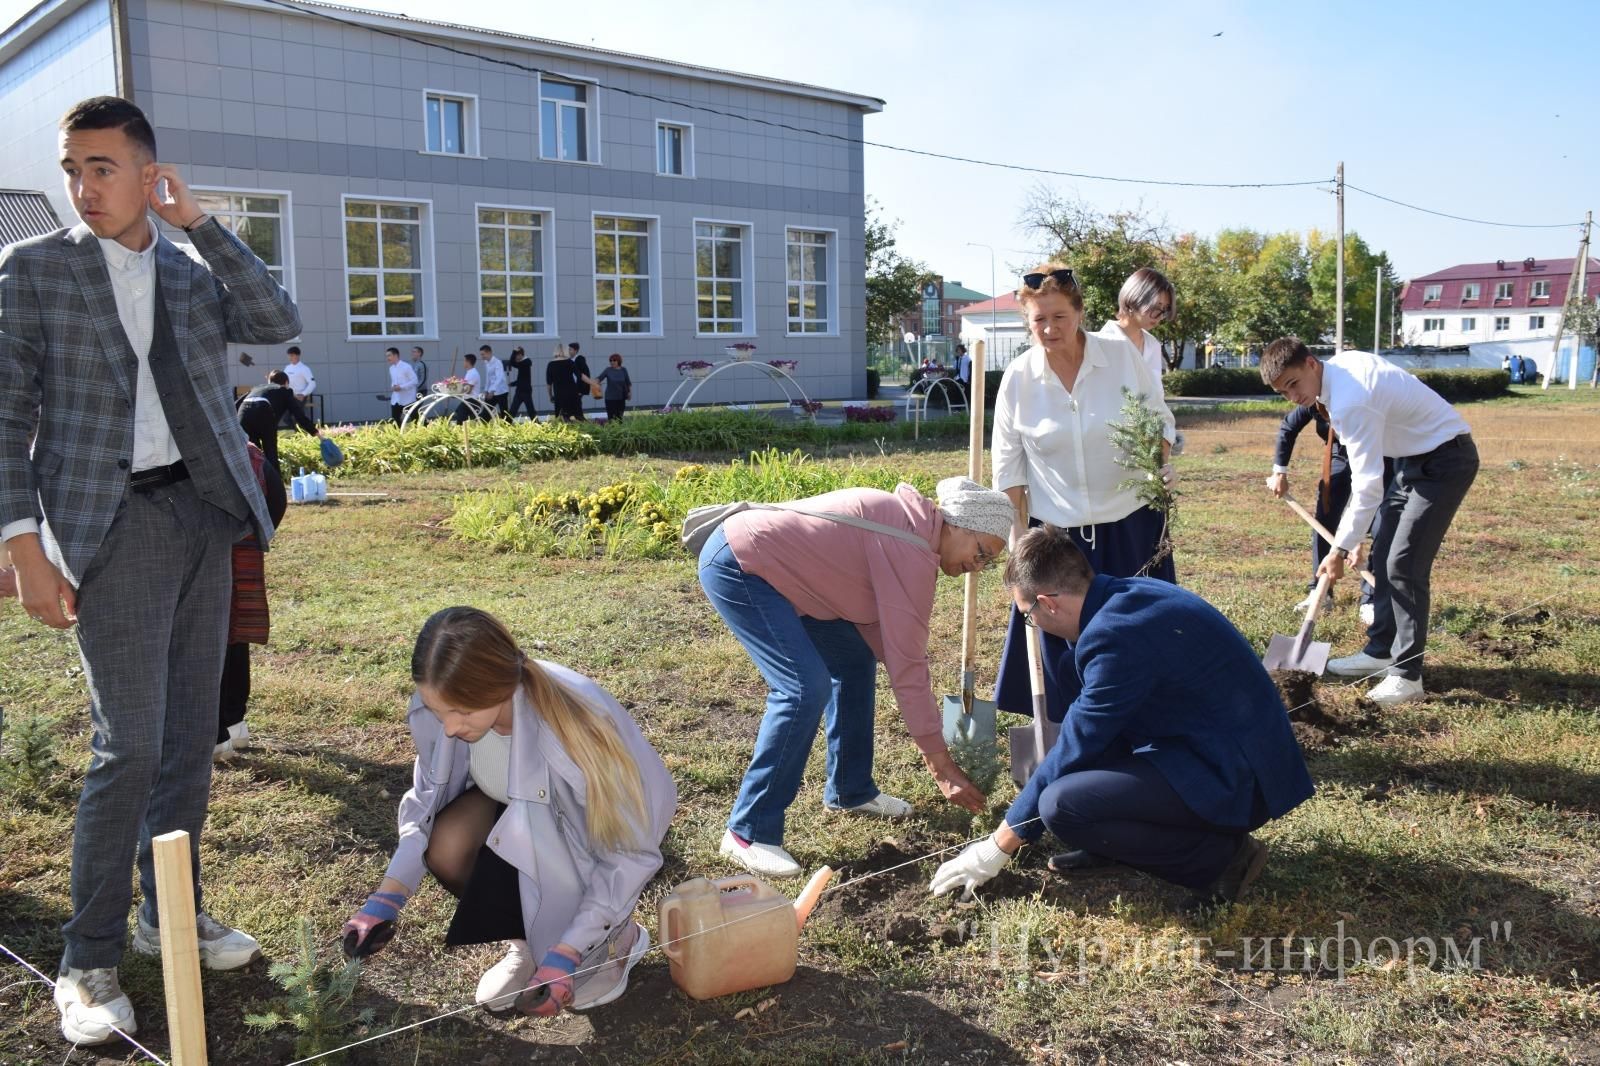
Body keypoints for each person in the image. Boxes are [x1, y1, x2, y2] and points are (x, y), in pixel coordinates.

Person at [0, 96, 299, 1045]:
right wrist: (20, 546)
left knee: (187, 738)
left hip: (203, 516)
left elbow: (275, 319)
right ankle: (86, 960)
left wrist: (199, 223)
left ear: (147, 171)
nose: (84, 187)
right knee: (128, 743)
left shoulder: (191, 269)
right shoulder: (34, 270)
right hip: (111, 524)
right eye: (72, 168)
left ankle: (168, 909)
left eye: (102, 167)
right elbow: (5, 418)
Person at [929, 525, 1314, 908]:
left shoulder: (1116, 638)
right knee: (1078, 772)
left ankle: (1221, 860)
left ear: (1048, 603)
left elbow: (1076, 744)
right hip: (1210, 744)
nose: (1033, 625)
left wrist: (997, 848)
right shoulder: (1127, 595)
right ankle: (1115, 846)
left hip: (1234, 776)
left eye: (1027, 616)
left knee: (1061, 805)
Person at [342, 607, 675, 1015]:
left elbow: (628, 852)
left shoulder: (575, 732)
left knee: (570, 909)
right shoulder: (446, 705)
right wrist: (387, 898)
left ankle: (616, 942)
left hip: (602, 834)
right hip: (520, 814)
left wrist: (568, 954)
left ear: (497, 687)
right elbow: (426, 803)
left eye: (461, 713)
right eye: (438, 710)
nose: (448, 727)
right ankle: (527, 947)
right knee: (449, 843)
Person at [698, 476, 1010, 878]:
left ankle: (849, 790)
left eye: (989, 562)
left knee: (852, 661)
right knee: (803, 688)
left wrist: (905, 668)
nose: (978, 567)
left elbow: (887, 640)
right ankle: (746, 833)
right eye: (981, 552)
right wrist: (941, 766)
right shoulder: (910, 548)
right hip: (741, 566)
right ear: (958, 524)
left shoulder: (914, 531)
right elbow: (908, 668)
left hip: (795, 584)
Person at [991, 264, 1176, 724]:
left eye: (1059, 316)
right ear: (1027, 322)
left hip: (1131, 526)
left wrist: (1160, 464)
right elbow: (1008, 473)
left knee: (1137, 638)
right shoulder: (1019, 378)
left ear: (1079, 313)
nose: (1050, 329)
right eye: (1039, 320)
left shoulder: (1118, 356)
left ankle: (1145, 726)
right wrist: (1019, 559)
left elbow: (1158, 420)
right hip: (1057, 537)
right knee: (1064, 652)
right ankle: (1068, 734)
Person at [1261, 337, 1478, 705]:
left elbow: (1366, 487)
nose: (1293, 397)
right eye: (1283, 392)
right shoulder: (1340, 370)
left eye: (1294, 384)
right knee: (1386, 552)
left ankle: (1407, 677)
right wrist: (1352, 538)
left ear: (1311, 364)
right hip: (1409, 461)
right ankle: (1380, 650)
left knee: (1403, 566)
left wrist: (1340, 548)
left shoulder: (1351, 401)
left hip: (1445, 462)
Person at [1267, 401, 1385, 620]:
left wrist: (1354, 542)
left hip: (1378, 454)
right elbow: (1288, 427)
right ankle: (1320, 592)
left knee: (1379, 523)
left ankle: (1371, 599)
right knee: (1323, 517)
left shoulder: (1358, 399)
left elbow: (1364, 497)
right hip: (1341, 453)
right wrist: (1279, 472)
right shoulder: (1313, 396)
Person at [215, 441, 287, 760]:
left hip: (201, 558)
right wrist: (256, 535)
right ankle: (234, 724)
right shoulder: (247, 452)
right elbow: (279, 499)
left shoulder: (191, 449)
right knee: (235, 635)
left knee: (202, 641)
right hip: (242, 552)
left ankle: (215, 735)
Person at [1095, 267, 1175, 386]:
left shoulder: (1153, 345)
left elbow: (1156, 395)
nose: (1159, 315)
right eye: (1155, 307)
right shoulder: (1101, 342)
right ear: (1134, 299)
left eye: (1165, 309)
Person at [237, 369, 319, 472]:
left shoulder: (257, 388)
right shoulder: (285, 390)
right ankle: (276, 486)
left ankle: (256, 486)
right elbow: (298, 414)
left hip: (243, 413)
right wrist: (315, 432)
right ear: (286, 383)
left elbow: (236, 404)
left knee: (253, 455)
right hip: (263, 411)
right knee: (271, 453)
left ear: (269, 382)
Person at [385, 346, 419, 427]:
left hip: (408, 399)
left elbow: (415, 381)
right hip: (396, 398)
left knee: (416, 419)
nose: (387, 358)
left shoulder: (406, 366)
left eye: (389, 355)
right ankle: (398, 436)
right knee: (395, 419)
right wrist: (393, 386)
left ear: (395, 355)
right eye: (387, 356)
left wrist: (401, 387)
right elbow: (394, 382)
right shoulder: (391, 368)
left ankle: (425, 432)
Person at [546, 342, 580, 422]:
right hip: (572, 393)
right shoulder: (570, 362)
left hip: (559, 394)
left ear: (555, 352)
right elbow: (580, 375)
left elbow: (549, 384)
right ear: (565, 351)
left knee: (560, 419)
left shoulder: (551, 365)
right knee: (573, 417)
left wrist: (551, 396)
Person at [595, 353, 631, 421]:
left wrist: (629, 393)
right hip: (610, 398)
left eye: (614, 360)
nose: (612, 362)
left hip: (621, 397)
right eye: (610, 361)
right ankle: (612, 431)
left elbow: (628, 382)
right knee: (611, 418)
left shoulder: (623, 370)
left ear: (618, 361)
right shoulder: (608, 370)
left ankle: (619, 431)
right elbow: (599, 378)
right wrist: (594, 382)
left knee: (619, 418)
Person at [506, 345, 537, 420]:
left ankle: (537, 424)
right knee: (513, 409)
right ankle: (507, 423)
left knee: (530, 410)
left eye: (516, 356)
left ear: (520, 355)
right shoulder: (523, 364)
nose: (516, 358)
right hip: (520, 390)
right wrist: (513, 384)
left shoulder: (526, 362)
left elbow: (512, 363)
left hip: (525, 391)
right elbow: (522, 378)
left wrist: (514, 352)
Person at [479, 344, 508, 419]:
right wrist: (486, 390)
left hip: (501, 391)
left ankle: (508, 428)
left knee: (504, 412)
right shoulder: (486, 363)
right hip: (491, 391)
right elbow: (488, 378)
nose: (482, 357)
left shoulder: (497, 362)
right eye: (481, 355)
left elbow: (499, 378)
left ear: (489, 352)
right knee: (486, 411)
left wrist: (492, 390)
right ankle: (483, 427)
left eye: (483, 354)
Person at [566, 342, 592, 421]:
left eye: (570, 349)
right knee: (573, 404)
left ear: (575, 350)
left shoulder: (580, 359)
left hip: (578, 387)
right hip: (571, 387)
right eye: (568, 349)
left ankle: (577, 418)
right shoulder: (568, 360)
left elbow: (585, 373)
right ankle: (572, 416)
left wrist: (581, 389)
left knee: (575, 403)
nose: (568, 351)